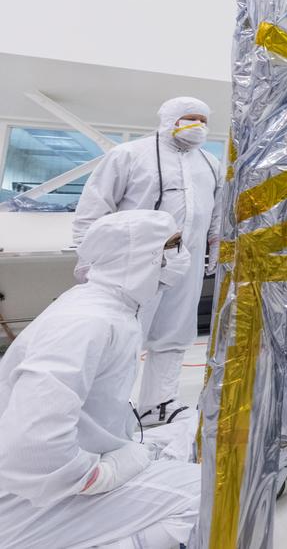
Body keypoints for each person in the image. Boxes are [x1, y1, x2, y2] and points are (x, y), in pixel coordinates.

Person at [0, 210, 202, 548]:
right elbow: (33, 448)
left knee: (185, 432)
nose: (181, 256)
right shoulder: (86, 322)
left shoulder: (111, 309)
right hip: (35, 499)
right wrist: (105, 474)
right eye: (172, 247)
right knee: (216, 494)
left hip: (68, 472)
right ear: (138, 256)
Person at [72, 96, 221, 427]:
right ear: (169, 119)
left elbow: (217, 210)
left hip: (188, 260)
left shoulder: (210, 163)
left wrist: (216, 245)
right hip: (134, 262)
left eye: (203, 119)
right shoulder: (128, 155)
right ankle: (108, 409)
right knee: (125, 334)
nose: (198, 126)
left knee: (175, 333)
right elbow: (95, 205)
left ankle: (159, 404)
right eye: (190, 118)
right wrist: (87, 256)